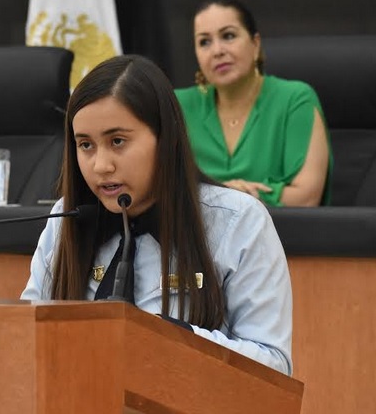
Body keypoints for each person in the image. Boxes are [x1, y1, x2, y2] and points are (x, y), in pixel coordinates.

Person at [20, 55, 293, 375]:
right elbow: (26, 337)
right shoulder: (66, 218)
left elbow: (274, 367)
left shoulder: (238, 220)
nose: (101, 165)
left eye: (117, 141)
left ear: (165, 138)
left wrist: (169, 338)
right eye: (86, 145)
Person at [175, 0, 331, 206]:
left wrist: (234, 197)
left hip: (280, 227)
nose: (217, 51)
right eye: (204, 42)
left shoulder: (295, 99)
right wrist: (229, 194)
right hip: (197, 228)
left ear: (255, 44)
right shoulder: (177, 105)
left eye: (228, 36)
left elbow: (307, 198)